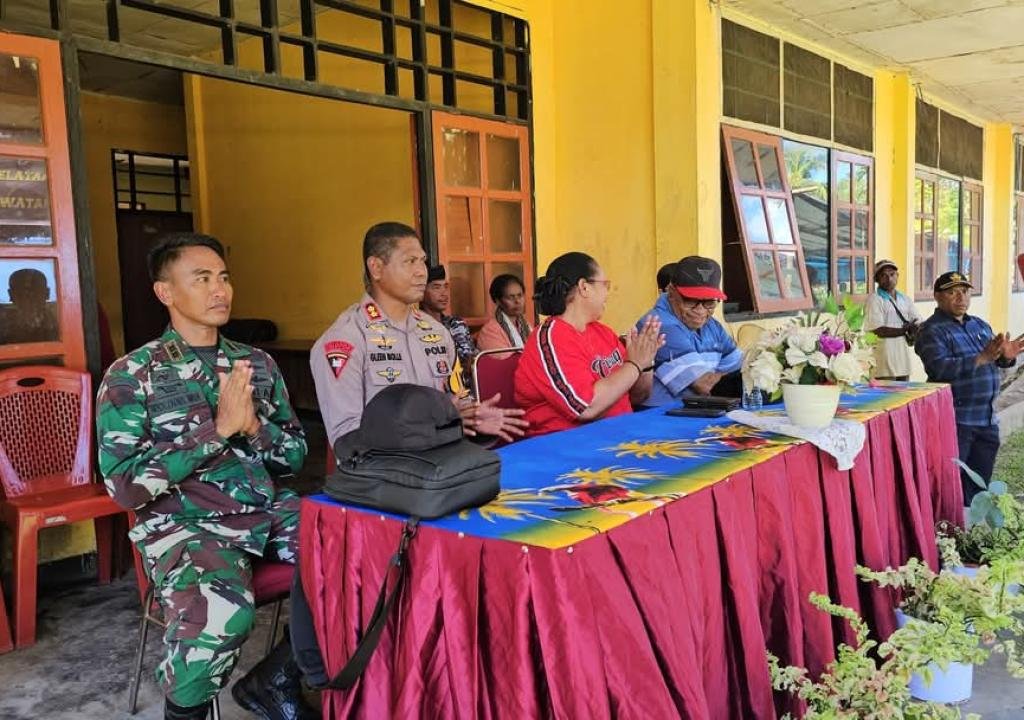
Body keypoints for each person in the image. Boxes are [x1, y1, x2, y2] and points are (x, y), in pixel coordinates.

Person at [96, 233, 313, 720]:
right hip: (184, 524)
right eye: (202, 279)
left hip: (265, 509)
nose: (220, 290)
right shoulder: (134, 375)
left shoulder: (255, 364)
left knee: (363, 559)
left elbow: (295, 456)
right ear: (165, 292)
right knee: (221, 613)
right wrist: (216, 432)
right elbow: (124, 485)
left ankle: (276, 679)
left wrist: (254, 426)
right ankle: (185, 713)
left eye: (224, 277)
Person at [311, 222, 527, 447]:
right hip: (385, 477)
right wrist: (442, 430)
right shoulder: (345, 340)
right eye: (409, 261)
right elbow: (348, 442)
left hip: (443, 465)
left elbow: (455, 403)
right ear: (375, 267)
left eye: (422, 261)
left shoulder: (436, 333)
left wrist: (473, 419)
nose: (421, 271)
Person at [514, 251, 663, 437]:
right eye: (604, 285)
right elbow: (586, 407)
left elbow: (637, 396)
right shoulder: (552, 337)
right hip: (569, 447)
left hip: (619, 435)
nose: (608, 292)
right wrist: (634, 365)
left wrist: (645, 363)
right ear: (584, 287)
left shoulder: (603, 332)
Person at [915, 271, 1022, 503]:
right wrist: (981, 358)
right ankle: (949, 534)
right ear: (937, 297)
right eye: (952, 292)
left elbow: (995, 358)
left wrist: (1007, 357)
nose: (960, 297)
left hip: (987, 420)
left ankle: (971, 531)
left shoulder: (979, 325)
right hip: (956, 421)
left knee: (979, 487)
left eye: (964, 291)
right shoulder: (930, 331)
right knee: (950, 485)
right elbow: (939, 369)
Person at [640, 256, 742, 406]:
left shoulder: (713, 326)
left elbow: (740, 366)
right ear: (672, 292)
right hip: (662, 419)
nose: (700, 310)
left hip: (700, 412)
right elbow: (706, 385)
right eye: (690, 300)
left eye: (709, 302)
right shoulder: (659, 325)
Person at [420, 264, 477, 385]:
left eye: (445, 287)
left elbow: (472, 361)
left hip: (465, 390)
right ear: (421, 292)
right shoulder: (416, 328)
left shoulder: (457, 324)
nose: (444, 293)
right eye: (436, 287)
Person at [865, 259, 921, 381]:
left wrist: (916, 328)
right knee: (887, 396)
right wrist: (905, 330)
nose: (889, 279)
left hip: (903, 360)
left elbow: (917, 321)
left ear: (897, 276)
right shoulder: (874, 300)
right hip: (883, 362)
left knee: (904, 396)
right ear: (876, 280)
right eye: (883, 275)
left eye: (892, 274)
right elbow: (878, 330)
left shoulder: (905, 298)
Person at [0, 267, 59, 344]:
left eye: (36, 293)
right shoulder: (3, 325)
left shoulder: (60, 322)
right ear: (11, 295)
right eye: (22, 294)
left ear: (47, 293)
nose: (29, 300)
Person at [477, 273, 532, 354]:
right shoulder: (490, 331)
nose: (517, 301)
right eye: (511, 297)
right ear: (498, 301)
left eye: (520, 295)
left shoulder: (527, 326)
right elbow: (505, 362)